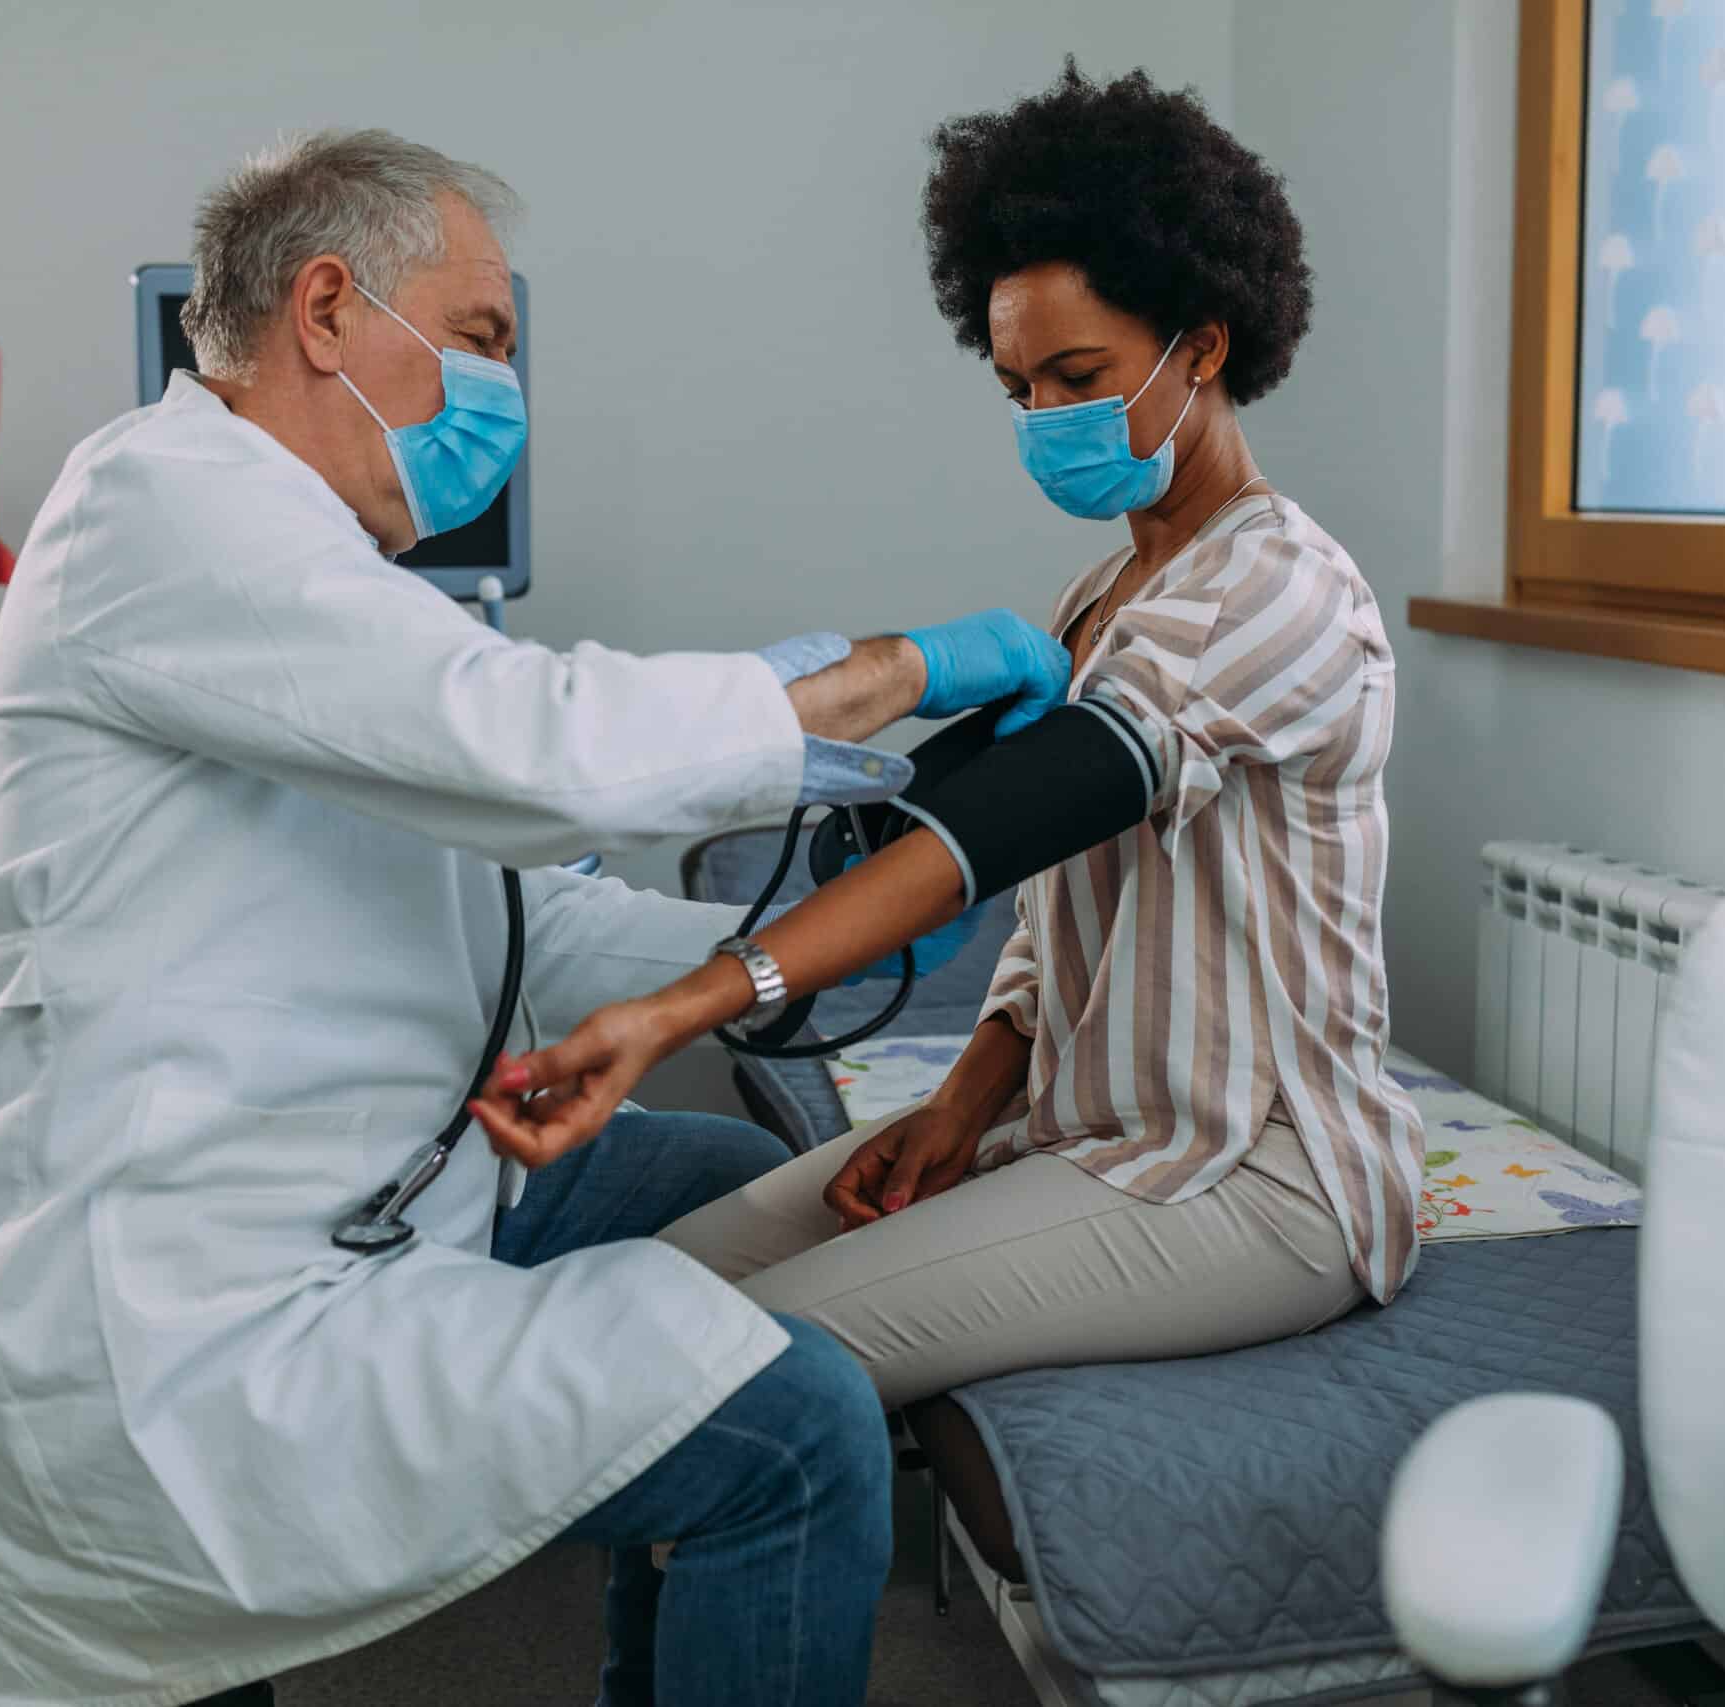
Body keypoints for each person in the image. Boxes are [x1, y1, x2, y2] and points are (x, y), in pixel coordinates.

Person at [0, 129, 1072, 1707]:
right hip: (177, 1311)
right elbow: (536, 748)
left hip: (374, 1185)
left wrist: (837, 936)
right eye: (478, 342)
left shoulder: (337, 592)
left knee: (722, 1180)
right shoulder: (155, 507)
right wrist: (894, 672)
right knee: (792, 1426)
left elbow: (527, 932)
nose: (498, 397)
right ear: (327, 310)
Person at [478, 64, 1427, 1412]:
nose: (1046, 417)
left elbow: (1007, 822)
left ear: (1205, 346)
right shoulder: (1102, 596)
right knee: (652, 1291)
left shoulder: (1277, 590)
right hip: (1072, 1132)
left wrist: (688, 1005)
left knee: (716, 1373)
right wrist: (959, 1107)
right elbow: (1048, 932)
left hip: (1258, 1174)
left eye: (1079, 375)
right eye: (1021, 386)